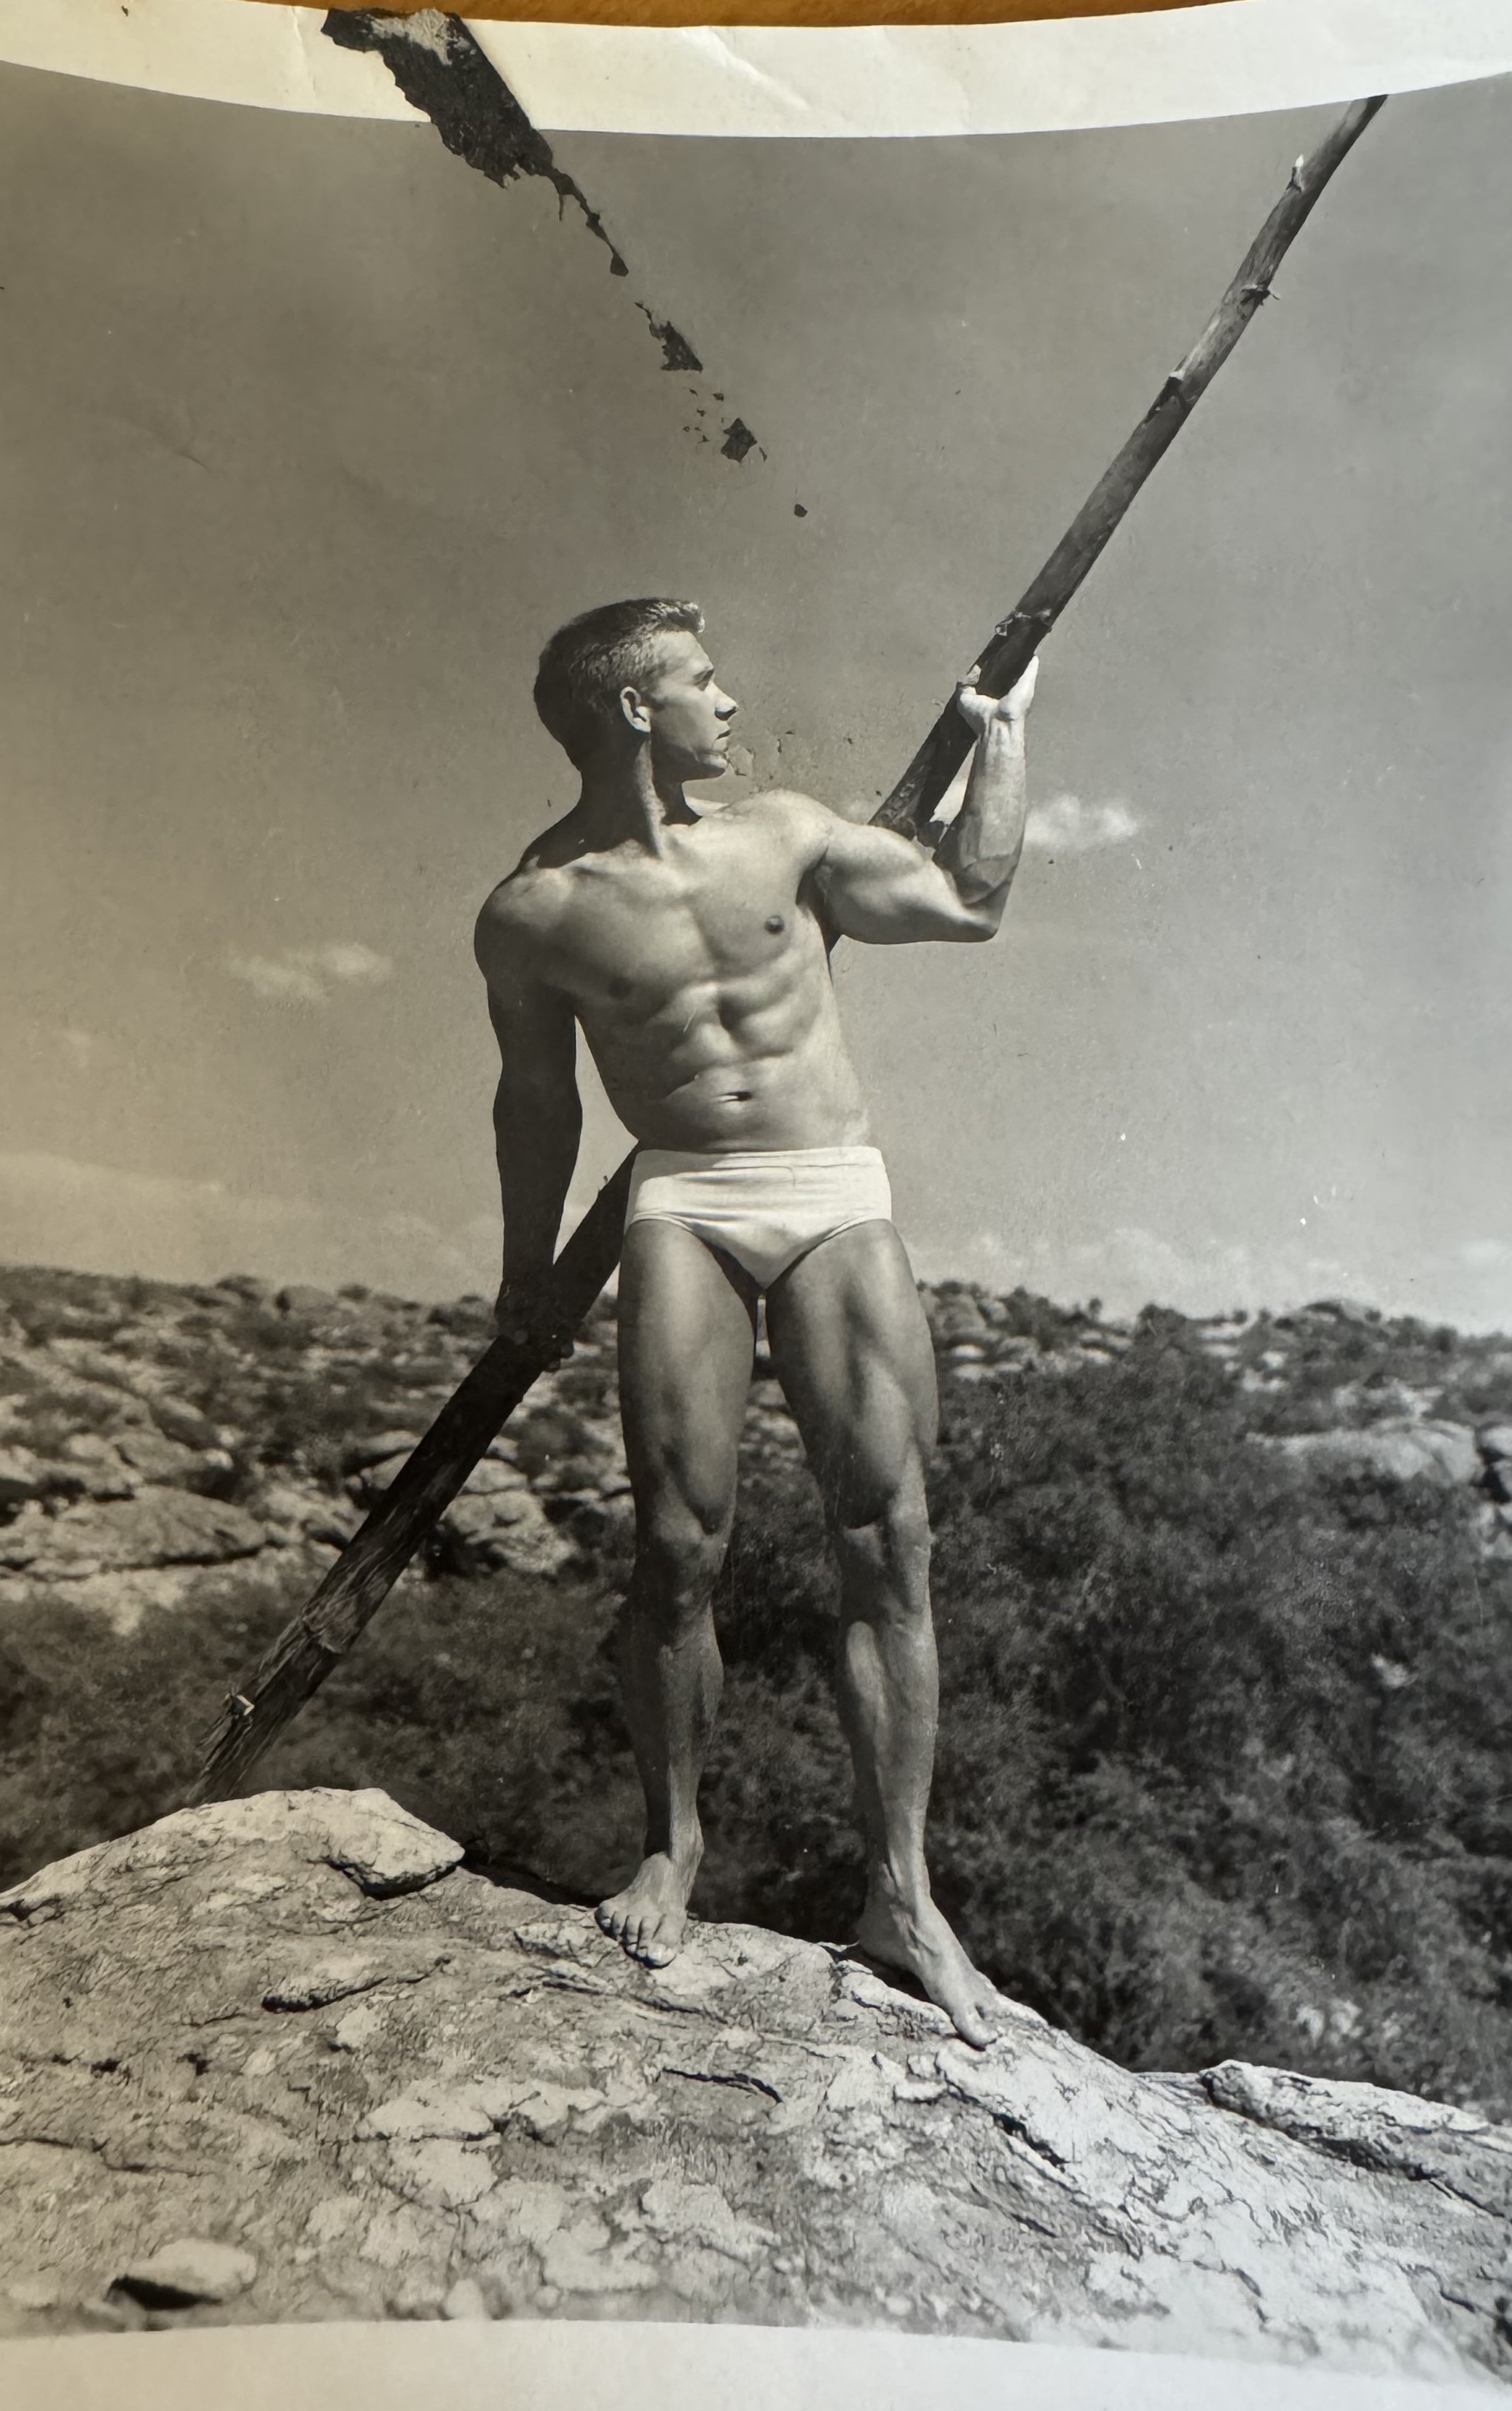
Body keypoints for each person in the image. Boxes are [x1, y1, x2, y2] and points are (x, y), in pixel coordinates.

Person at [474, 597, 1040, 2049]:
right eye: (702, 683)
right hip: (687, 1200)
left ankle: (902, 1892)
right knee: (676, 1543)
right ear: (627, 712)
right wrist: (527, 1270)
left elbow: (971, 901)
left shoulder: (785, 832)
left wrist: (1004, 742)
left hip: (832, 1189)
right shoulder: (532, 911)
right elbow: (536, 1100)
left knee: (889, 1534)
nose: (731, 702)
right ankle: (673, 1843)